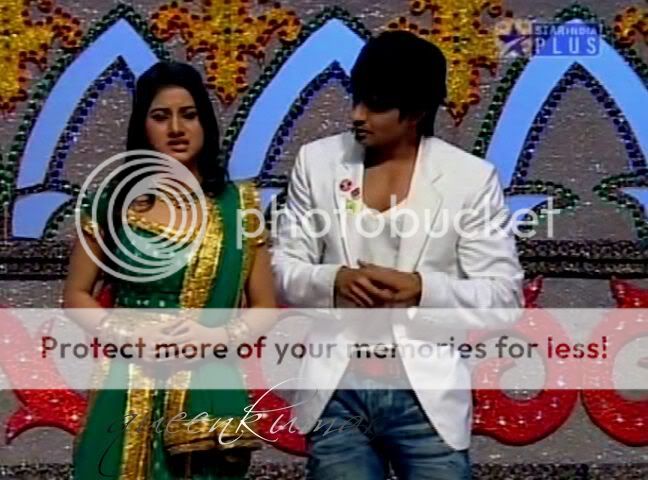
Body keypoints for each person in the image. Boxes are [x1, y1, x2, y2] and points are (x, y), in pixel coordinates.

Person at [271, 31, 523, 479]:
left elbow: (503, 298)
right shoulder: (318, 162)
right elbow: (284, 270)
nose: (357, 115)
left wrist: (421, 290)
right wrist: (335, 280)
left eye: (375, 105)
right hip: (337, 391)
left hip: (425, 397)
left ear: (417, 112)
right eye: (356, 99)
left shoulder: (470, 179)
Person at [64, 61, 276, 479]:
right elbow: (75, 295)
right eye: (161, 117)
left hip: (207, 377)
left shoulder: (239, 206)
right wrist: (128, 336)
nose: (176, 128)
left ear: (205, 124)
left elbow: (265, 306)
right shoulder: (114, 203)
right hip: (127, 378)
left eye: (189, 115)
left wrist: (217, 337)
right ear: (142, 128)